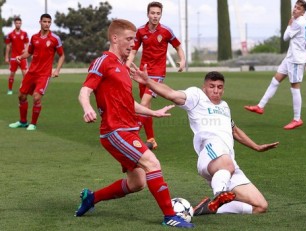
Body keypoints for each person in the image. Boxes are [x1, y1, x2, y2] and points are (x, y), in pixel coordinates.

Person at [75, 19, 194, 229]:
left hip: (129, 131)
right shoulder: (103, 62)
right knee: (153, 164)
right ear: (114, 38)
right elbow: (85, 91)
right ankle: (170, 216)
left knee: (137, 183)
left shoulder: (123, 66)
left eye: (134, 39)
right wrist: (87, 108)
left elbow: (130, 103)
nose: (133, 44)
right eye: (129, 39)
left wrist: (153, 112)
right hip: (115, 131)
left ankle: (91, 198)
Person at [132, 67, 279, 215]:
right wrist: (148, 82)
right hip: (210, 154)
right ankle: (220, 193)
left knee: (260, 206)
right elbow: (171, 94)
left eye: (220, 87)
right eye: (212, 86)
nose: (216, 91)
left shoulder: (224, 107)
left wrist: (257, 147)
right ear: (204, 88)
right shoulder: (196, 96)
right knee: (227, 164)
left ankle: (208, 208)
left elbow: (234, 130)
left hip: (226, 165)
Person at [244, 0, 306, 130]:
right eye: (295, 7)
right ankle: (260, 106)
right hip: (290, 57)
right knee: (275, 80)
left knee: (295, 88)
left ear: (303, 12)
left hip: (296, 60)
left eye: (298, 8)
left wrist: (288, 25)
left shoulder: (297, 23)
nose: (295, 10)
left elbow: (285, 37)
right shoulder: (305, 22)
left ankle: (297, 119)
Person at [126, 1, 186, 150]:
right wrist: (126, 65)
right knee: (146, 106)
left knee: (144, 103)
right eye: (152, 13)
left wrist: (183, 60)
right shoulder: (140, 31)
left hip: (158, 74)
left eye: (158, 13)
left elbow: (178, 46)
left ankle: (132, 135)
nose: (155, 16)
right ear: (148, 14)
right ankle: (151, 139)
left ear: (161, 15)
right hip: (143, 73)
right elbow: (133, 51)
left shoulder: (166, 31)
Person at [8, 14, 65, 131]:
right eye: (45, 22)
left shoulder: (55, 38)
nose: (47, 24)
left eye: (49, 22)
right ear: (40, 22)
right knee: (21, 96)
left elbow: (62, 55)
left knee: (36, 97)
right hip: (31, 73)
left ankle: (33, 123)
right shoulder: (34, 37)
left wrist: (57, 70)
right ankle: (23, 122)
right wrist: (21, 56)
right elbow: (29, 52)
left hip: (44, 75)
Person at [4, 17, 29, 95]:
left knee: (25, 74)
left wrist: (26, 50)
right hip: (14, 57)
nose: (18, 24)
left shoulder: (24, 34)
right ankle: (10, 90)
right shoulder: (10, 34)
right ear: (14, 24)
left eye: (19, 23)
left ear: (21, 24)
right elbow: (8, 46)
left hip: (22, 57)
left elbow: (27, 44)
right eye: (17, 23)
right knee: (12, 74)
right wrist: (6, 57)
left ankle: (25, 90)